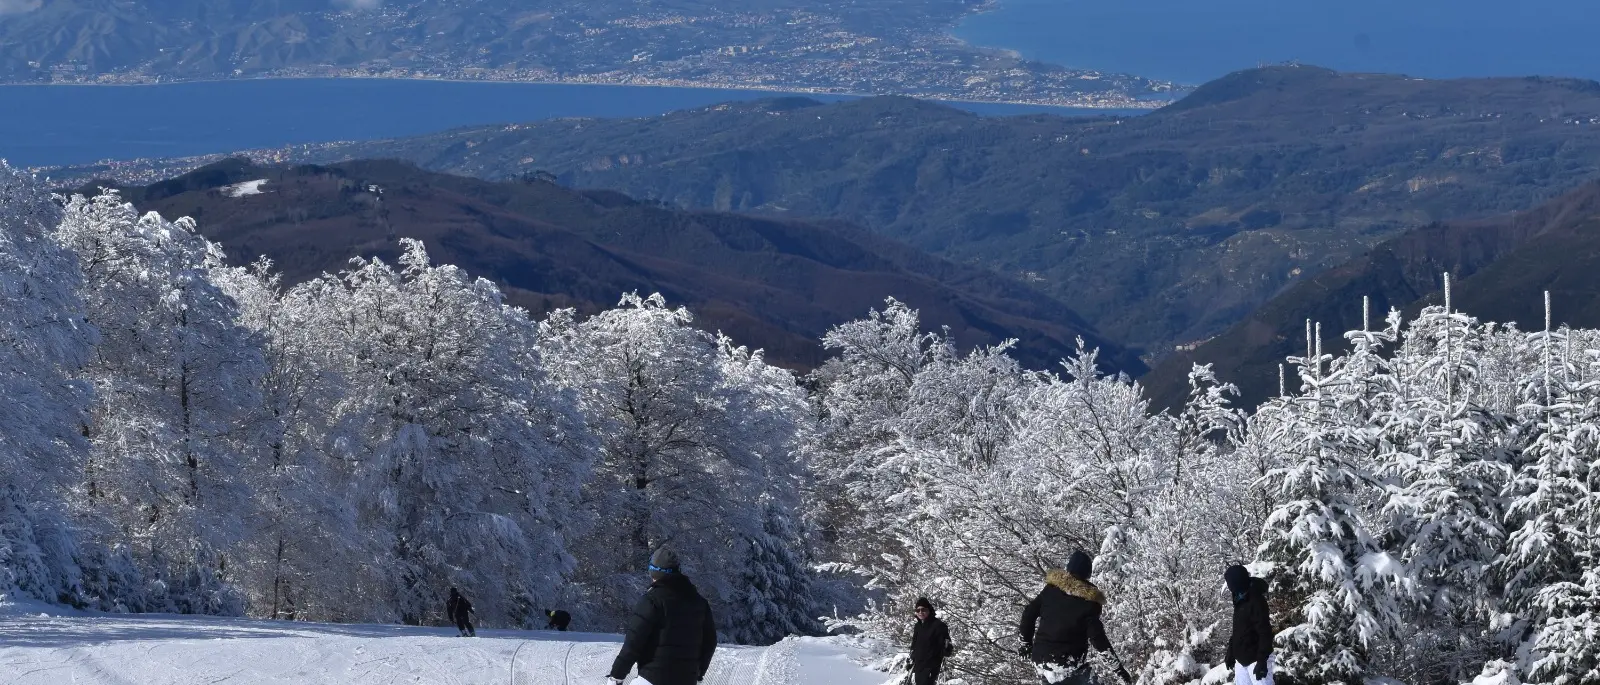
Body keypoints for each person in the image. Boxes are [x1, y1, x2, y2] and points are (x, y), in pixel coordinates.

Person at [606, 548, 717, 685]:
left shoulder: (651, 601)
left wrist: (616, 676)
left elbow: (633, 643)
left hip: (653, 678)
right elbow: (710, 642)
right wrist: (698, 674)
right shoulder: (700, 603)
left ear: (653, 571)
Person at [1018, 551, 1130, 685]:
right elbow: (1098, 640)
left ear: (1069, 568)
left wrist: (1025, 643)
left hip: (1041, 661)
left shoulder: (1050, 590)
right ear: (1088, 574)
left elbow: (1028, 614)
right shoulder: (1089, 603)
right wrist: (1118, 670)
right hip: (1068, 663)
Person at [1224, 565, 1274, 685]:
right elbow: (1238, 631)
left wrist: (1262, 661)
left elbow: (1265, 632)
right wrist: (1231, 652)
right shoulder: (1239, 599)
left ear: (1237, 581)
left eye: (1230, 582)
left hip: (1256, 659)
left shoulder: (1256, 600)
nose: (1229, 587)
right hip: (1242, 660)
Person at [909, 597, 954, 685]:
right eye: (918, 610)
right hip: (919, 665)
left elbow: (947, 646)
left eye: (923, 609)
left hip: (931, 666)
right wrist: (912, 657)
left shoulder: (938, 625)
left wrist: (946, 649)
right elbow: (914, 644)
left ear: (929, 610)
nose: (920, 612)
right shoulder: (917, 626)